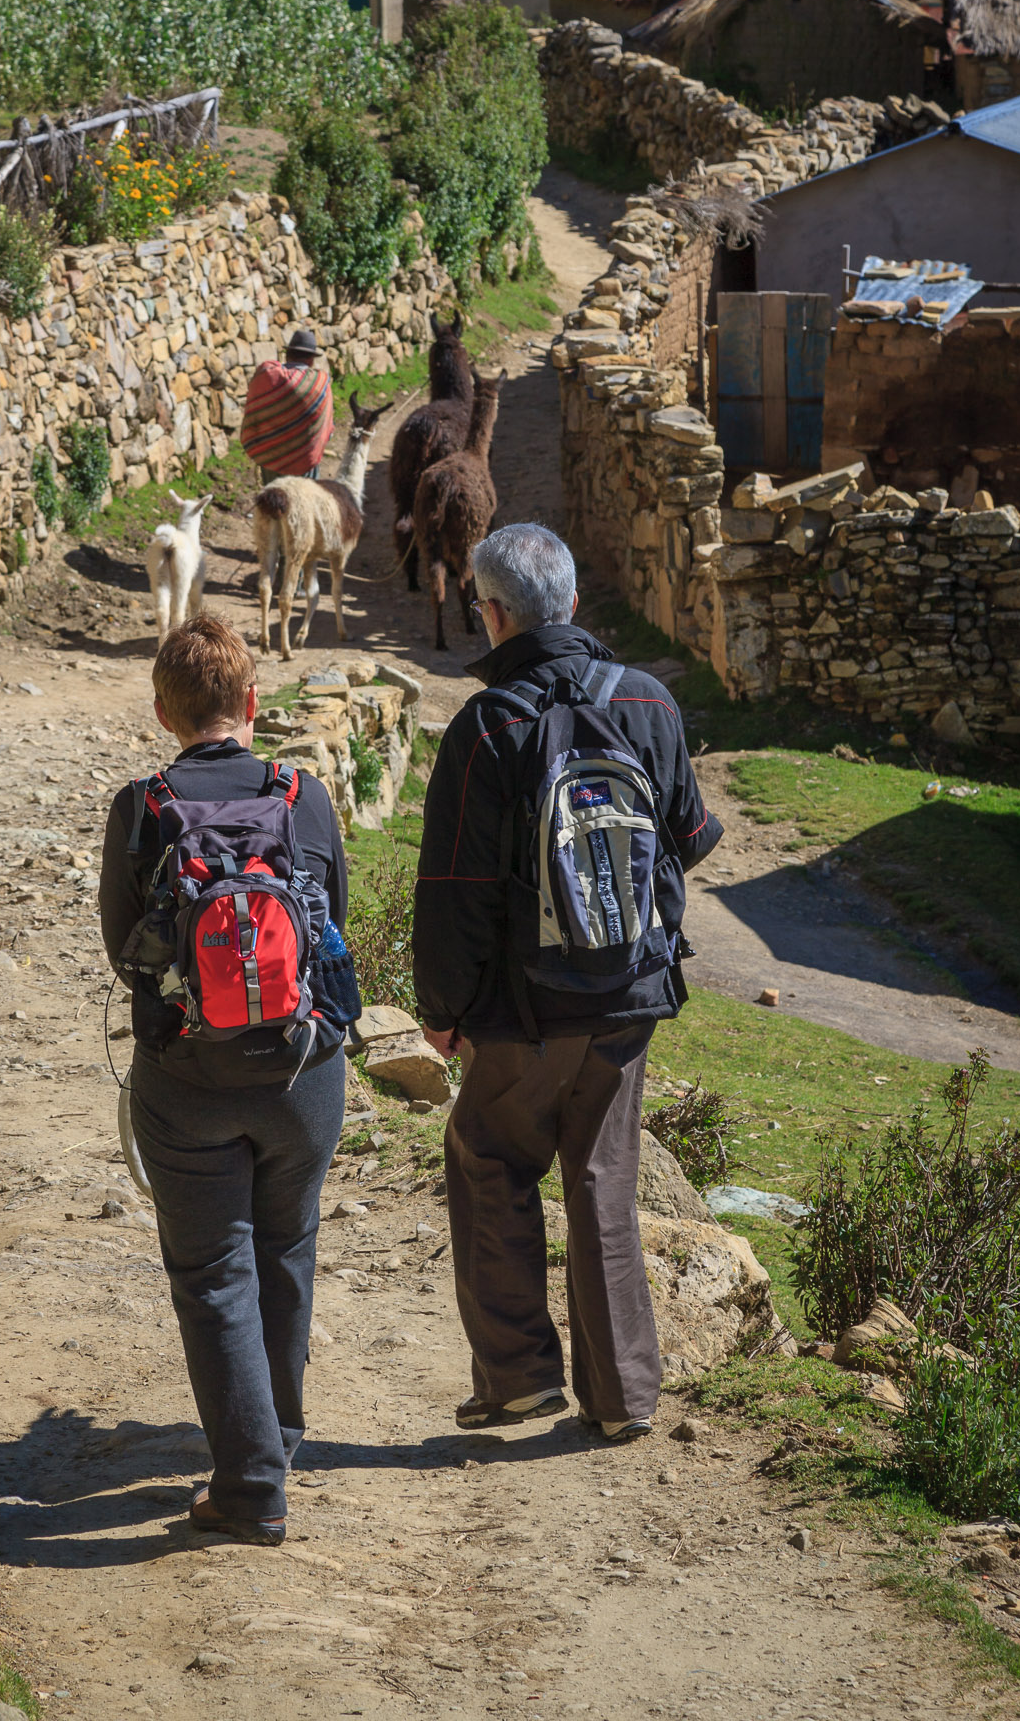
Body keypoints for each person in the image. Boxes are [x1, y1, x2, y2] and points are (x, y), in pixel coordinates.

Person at [411, 523, 722, 1445]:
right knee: (603, 1179)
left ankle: (515, 1378)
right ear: (575, 604)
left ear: (492, 612)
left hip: (525, 1007)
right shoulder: (653, 704)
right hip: (629, 995)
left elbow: (455, 892)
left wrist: (443, 1013)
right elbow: (691, 839)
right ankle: (622, 1395)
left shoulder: (488, 726)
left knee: (487, 1155)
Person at [98, 616, 351, 1546]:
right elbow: (331, 924)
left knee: (212, 1274)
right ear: (252, 703)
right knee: (287, 1249)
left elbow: (126, 951)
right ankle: (275, 1439)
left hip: (188, 1078)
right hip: (303, 1072)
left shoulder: (142, 806)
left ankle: (250, 1486)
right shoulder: (304, 794)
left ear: (164, 712)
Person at [241, 326, 334, 485]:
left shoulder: (268, 376)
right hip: (305, 461)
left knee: (273, 503)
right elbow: (326, 427)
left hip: (271, 458)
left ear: (288, 355)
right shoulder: (319, 384)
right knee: (305, 503)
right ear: (311, 359)